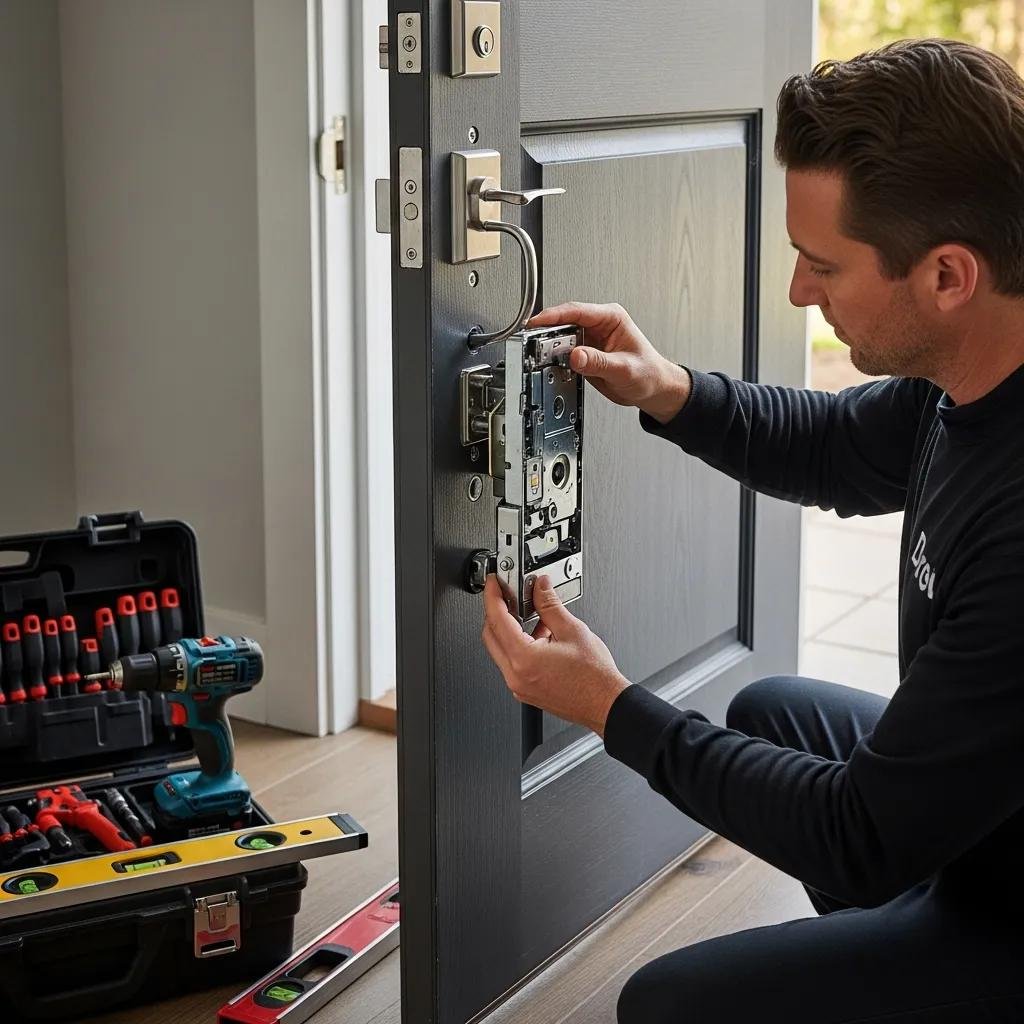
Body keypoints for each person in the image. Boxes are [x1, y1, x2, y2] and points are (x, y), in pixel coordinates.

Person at [480, 38, 1024, 1023]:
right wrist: (670, 389)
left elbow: (859, 836)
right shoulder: (975, 374)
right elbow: (837, 450)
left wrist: (610, 706)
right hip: (983, 822)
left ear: (948, 275)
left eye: (821, 265)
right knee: (775, 710)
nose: (797, 293)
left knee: (665, 1006)